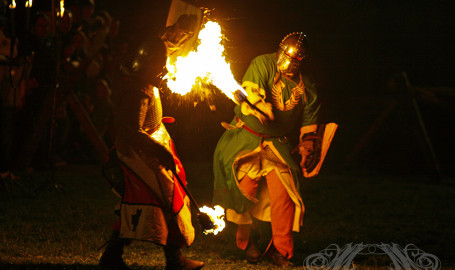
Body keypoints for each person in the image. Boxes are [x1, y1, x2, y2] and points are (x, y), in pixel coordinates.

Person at [213, 32, 331, 267]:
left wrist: (308, 145)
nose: (286, 61)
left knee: (285, 195)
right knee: (243, 190)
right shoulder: (262, 63)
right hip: (246, 138)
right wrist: (259, 106)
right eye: (284, 54)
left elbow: (309, 122)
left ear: (301, 61)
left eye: (293, 58)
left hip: (277, 143)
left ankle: (281, 250)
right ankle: (249, 242)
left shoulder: (307, 85)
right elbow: (250, 92)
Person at [98, 36, 204, 270]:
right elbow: (132, 131)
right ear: (148, 65)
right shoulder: (138, 91)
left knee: (144, 205)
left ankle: (114, 257)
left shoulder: (145, 84)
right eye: (158, 65)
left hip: (147, 150)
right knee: (163, 202)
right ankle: (173, 261)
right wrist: (158, 151)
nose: (162, 69)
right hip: (138, 155)